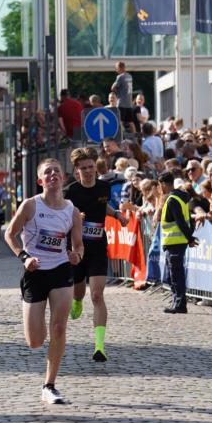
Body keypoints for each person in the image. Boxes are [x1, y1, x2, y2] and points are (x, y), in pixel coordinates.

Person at [5, 158, 84, 404]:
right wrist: (24, 257)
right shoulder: (30, 206)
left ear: (63, 177)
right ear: (40, 180)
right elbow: (10, 234)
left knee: (59, 327)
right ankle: (37, 336)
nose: (52, 175)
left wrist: (77, 254)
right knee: (35, 341)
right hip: (35, 272)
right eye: (47, 172)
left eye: (56, 171)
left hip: (61, 271)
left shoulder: (72, 211)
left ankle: (49, 385)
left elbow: (79, 244)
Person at [64, 147, 127, 362]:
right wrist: (73, 216)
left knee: (97, 295)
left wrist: (117, 214)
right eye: (84, 168)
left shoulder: (104, 187)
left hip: (99, 247)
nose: (89, 171)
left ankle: (99, 346)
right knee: (80, 292)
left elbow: (104, 206)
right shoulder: (70, 192)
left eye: (91, 167)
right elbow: (61, 215)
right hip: (77, 249)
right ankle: (76, 300)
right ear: (76, 171)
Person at [159, 170, 198, 314]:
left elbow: (181, 221)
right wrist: (189, 237)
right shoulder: (179, 198)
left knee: (176, 275)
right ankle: (177, 301)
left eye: (160, 185)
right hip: (176, 242)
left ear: (163, 184)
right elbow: (187, 220)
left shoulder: (172, 200)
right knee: (172, 275)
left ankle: (180, 304)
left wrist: (190, 238)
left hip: (175, 242)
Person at [110, 60, 134, 131]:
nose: (116, 70)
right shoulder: (130, 76)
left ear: (120, 68)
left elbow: (112, 88)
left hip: (121, 103)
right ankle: (135, 138)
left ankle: (121, 137)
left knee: (120, 121)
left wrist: (117, 92)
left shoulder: (120, 77)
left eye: (116, 68)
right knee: (130, 122)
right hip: (129, 103)